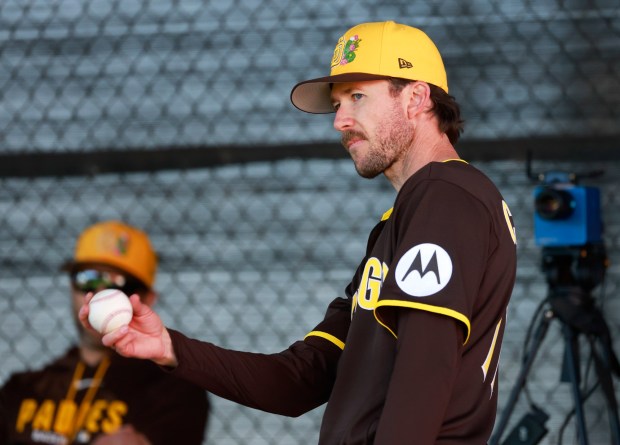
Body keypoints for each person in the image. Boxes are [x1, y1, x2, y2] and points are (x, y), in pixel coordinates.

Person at [78, 21, 517, 444]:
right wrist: (168, 347)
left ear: (416, 98)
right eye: (337, 103)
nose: (339, 121)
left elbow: (425, 370)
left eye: (357, 97)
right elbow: (301, 379)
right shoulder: (404, 219)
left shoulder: (445, 196)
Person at [0, 220, 210, 445]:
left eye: (120, 285)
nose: (101, 294)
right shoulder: (22, 388)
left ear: (148, 299)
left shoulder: (175, 392)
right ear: (71, 285)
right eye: (88, 279)